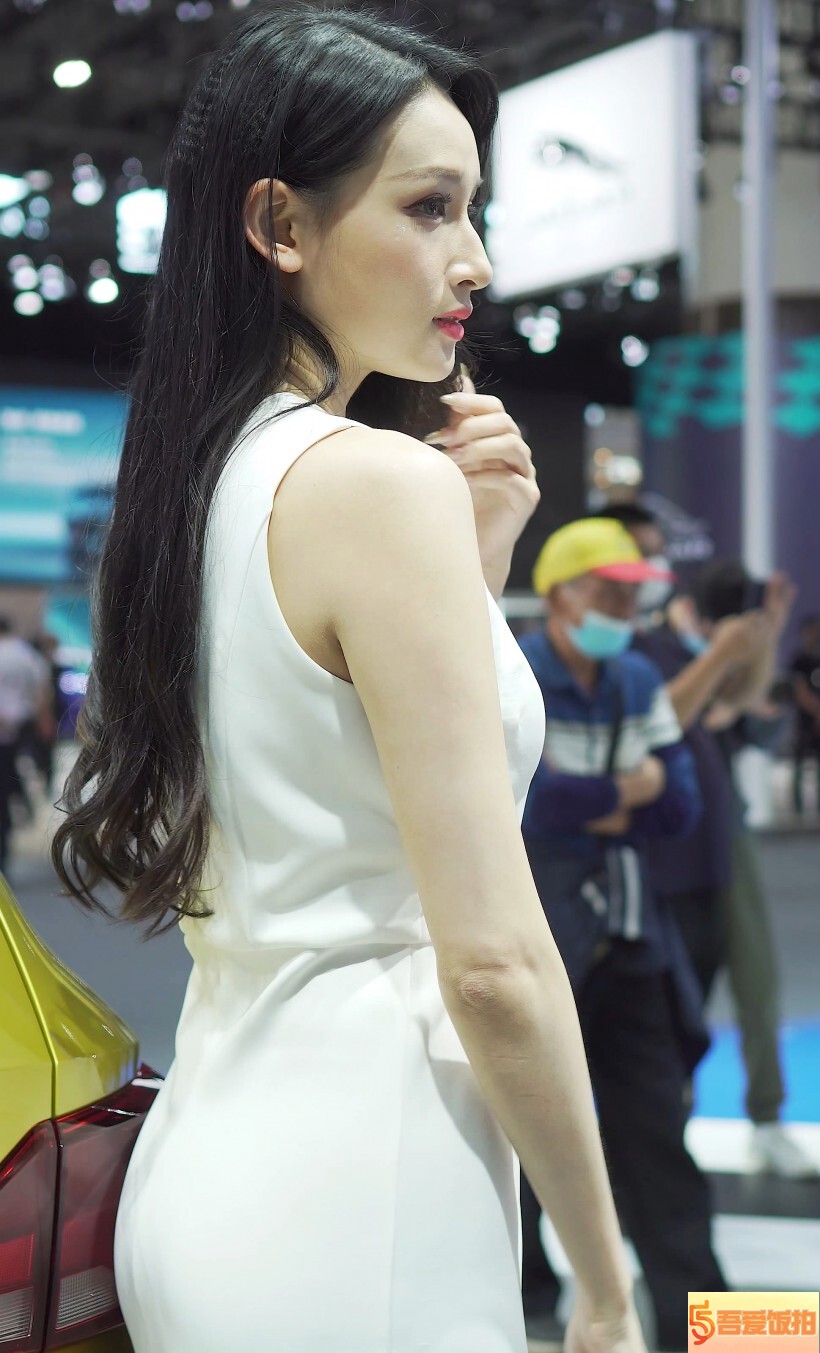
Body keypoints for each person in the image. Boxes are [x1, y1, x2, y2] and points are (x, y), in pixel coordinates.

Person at [50, 10, 650, 1352]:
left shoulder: (197, 490)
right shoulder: (378, 487)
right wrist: (604, 1284)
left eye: (473, 210)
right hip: (366, 1197)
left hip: (213, 1162)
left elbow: (321, 788)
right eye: (430, 208)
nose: (475, 259)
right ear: (280, 224)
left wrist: (474, 562)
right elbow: (491, 963)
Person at [515, 518, 727, 1353]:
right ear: (561, 593)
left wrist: (593, 798)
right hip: (541, 947)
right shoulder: (515, 672)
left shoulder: (636, 675)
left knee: (657, 1143)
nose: (623, 608)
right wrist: (626, 789)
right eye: (608, 590)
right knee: (519, 1136)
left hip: (630, 940)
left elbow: (679, 805)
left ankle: (709, 1327)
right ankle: (524, 1306)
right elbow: (530, 804)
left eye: (630, 594)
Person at [605, 506, 818, 1179]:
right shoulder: (622, 651)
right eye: (641, 552)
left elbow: (737, 708)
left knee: (755, 981)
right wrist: (724, 653)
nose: (653, 568)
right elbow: (662, 717)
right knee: (669, 1000)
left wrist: (761, 637)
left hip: (720, 841)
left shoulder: (672, 647)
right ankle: (665, 1126)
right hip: (653, 852)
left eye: (657, 554)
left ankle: (764, 1118)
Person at [0, 616, 52, 879]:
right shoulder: (26, 654)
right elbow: (42, 691)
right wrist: (44, 722)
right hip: (19, 730)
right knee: (7, 787)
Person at [788, 613, 820, 815]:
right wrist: (816, 711)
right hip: (804, 722)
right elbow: (799, 691)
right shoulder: (799, 660)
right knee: (799, 763)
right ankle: (797, 809)